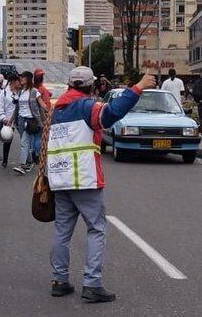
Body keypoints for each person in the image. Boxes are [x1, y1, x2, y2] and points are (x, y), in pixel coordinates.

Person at [47, 67, 156, 302]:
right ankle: (92, 283)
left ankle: (59, 280)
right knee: (96, 228)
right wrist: (137, 87)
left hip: (60, 178)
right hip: (84, 178)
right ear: (90, 86)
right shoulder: (86, 106)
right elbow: (111, 113)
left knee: (62, 231)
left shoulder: (57, 109)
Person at [12, 71, 47, 175]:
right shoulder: (20, 92)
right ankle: (30, 161)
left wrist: (50, 113)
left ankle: (22, 165)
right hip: (21, 120)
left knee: (24, 142)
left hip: (31, 121)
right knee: (26, 143)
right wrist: (11, 120)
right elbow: (17, 108)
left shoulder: (34, 91)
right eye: (20, 78)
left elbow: (43, 105)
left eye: (23, 77)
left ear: (28, 79)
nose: (21, 79)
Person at [0, 74, 20, 168]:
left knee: (25, 140)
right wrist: (3, 118)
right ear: (13, 81)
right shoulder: (4, 92)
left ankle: (28, 160)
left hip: (20, 119)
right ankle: (5, 160)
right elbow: (0, 105)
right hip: (8, 121)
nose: (20, 82)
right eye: (18, 81)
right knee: (7, 140)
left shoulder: (21, 92)